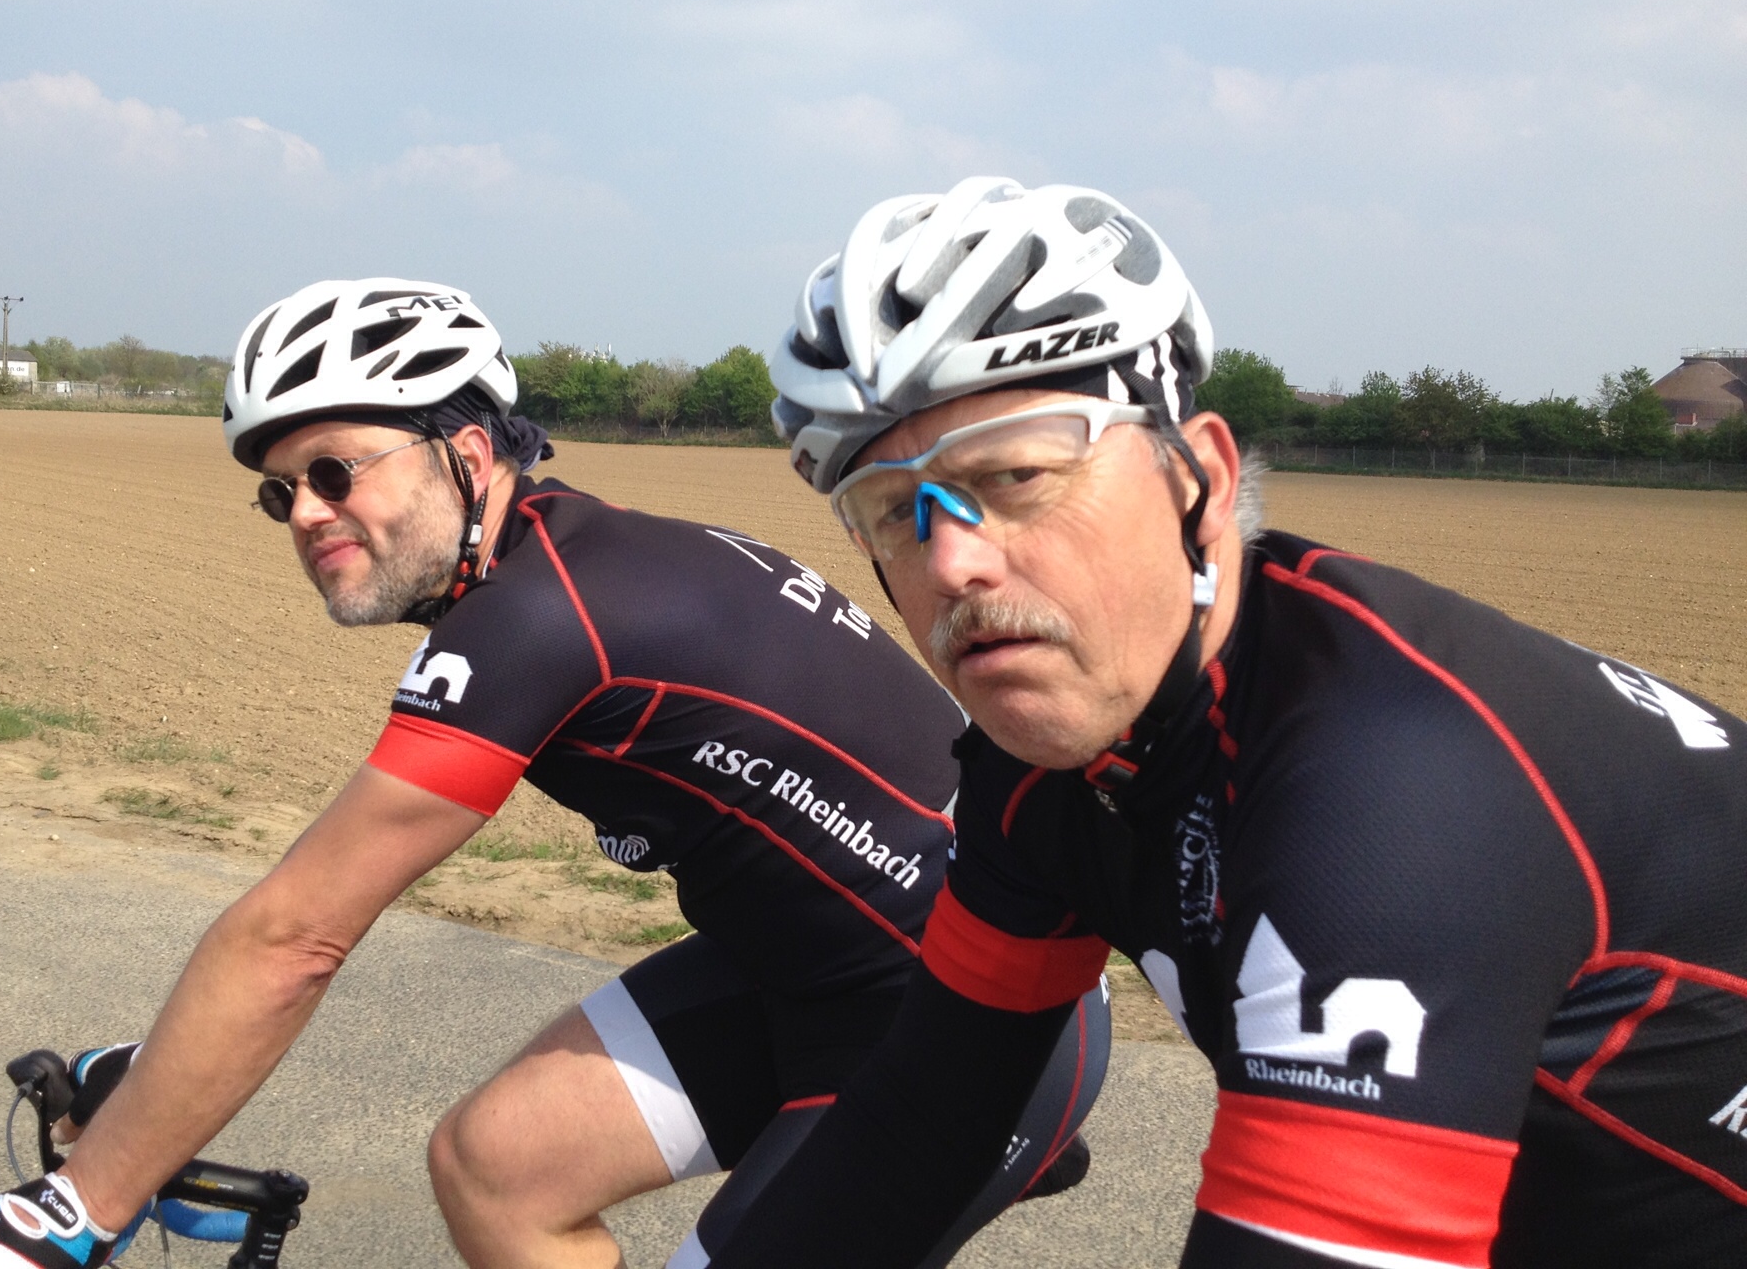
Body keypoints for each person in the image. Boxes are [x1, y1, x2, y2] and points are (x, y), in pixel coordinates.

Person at [0, 276, 1107, 1269]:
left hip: (974, 1018)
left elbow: (296, 937)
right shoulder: (569, 560)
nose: (305, 513)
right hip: (802, 973)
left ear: (467, 453)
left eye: (335, 470)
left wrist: (71, 1210)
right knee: (494, 1170)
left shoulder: (540, 618)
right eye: (281, 492)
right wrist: (157, 1091)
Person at [702, 176, 1747, 1269]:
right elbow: (922, 1121)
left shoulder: (1385, 796)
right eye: (891, 510)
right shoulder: (1046, 760)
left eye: (1015, 472)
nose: (951, 561)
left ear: (1197, 479)